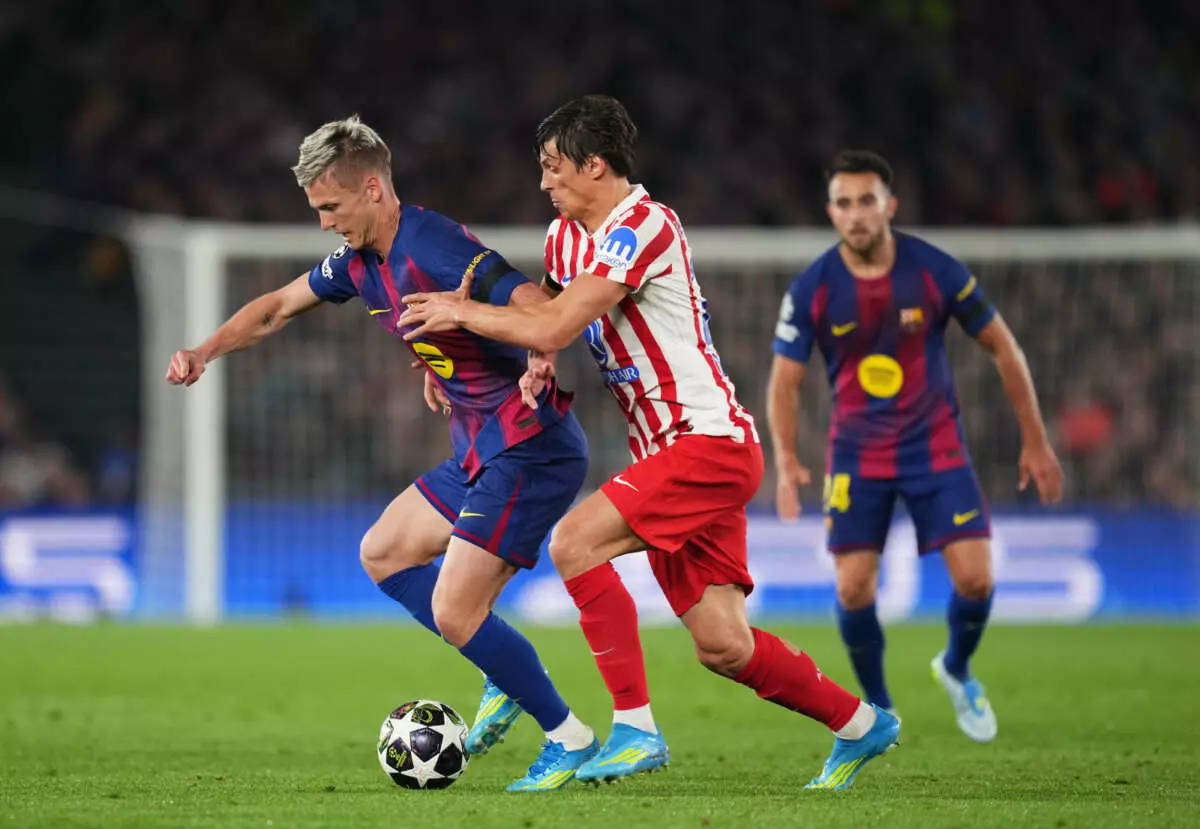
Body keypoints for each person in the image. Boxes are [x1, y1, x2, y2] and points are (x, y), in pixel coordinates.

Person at [399, 95, 899, 790]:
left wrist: (462, 311)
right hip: (667, 454)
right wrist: (516, 362)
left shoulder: (643, 226)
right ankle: (860, 724)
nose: (543, 182)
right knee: (723, 644)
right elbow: (547, 319)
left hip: (708, 441)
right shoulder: (563, 238)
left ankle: (635, 730)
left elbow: (556, 322)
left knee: (575, 543)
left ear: (594, 165)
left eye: (553, 166)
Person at [165, 116, 600, 792]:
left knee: (456, 612)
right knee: (385, 552)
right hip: (480, 448)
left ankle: (568, 735)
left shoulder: (433, 244)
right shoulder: (358, 263)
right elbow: (278, 307)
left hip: (528, 445)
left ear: (372, 188)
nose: (324, 224)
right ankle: (502, 668)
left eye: (331, 207)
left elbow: (539, 305)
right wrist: (204, 351)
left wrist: (539, 355)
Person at [766, 150, 1064, 742]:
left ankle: (956, 666)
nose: (856, 214)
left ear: (890, 206)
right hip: (858, 455)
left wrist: (1035, 440)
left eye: (867, 201)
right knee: (853, 586)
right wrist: (786, 458)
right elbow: (784, 381)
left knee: (976, 581)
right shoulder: (813, 288)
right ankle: (879, 708)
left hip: (935, 447)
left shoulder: (934, 271)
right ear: (831, 212)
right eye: (844, 204)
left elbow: (1004, 347)